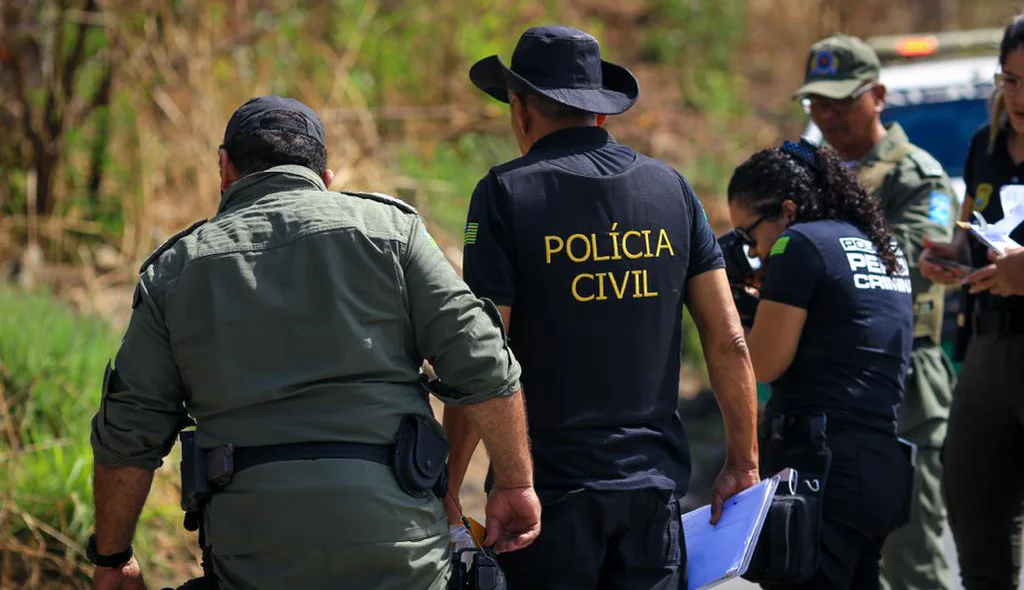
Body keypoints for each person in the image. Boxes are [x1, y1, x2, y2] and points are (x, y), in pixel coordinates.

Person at [88, 95, 541, 590]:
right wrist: (515, 483)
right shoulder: (394, 233)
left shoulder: (173, 272)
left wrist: (113, 556)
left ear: (224, 169)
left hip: (254, 555)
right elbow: (482, 362)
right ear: (325, 177)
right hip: (399, 551)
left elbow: (129, 432)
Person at [443, 25, 761, 589]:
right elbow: (729, 340)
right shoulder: (672, 189)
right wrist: (742, 463)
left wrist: (449, 489)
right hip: (653, 495)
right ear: (600, 114)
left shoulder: (504, 194)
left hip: (547, 501)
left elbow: (483, 352)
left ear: (519, 109)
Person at [793, 33, 958, 590]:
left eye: (841, 101)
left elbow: (905, 262)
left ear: (878, 96)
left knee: (912, 558)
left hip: (901, 383)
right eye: (817, 103)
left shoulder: (920, 177)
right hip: (824, 390)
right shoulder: (806, 174)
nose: (827, 115)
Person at [728, 140, 915, 589]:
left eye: (752, 236)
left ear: (787, 210)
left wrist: (735, 309)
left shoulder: (799, 245)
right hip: (882, 463)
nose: (754, 254)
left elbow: (766, 365)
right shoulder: (881, 244)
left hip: (826, 468)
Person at [920, 14, 1024, 588]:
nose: (1020, 96)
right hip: (986, 351)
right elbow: (976, 232)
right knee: (972, 505)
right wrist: (952, 254)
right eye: (1010, 79)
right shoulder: (984, 145)